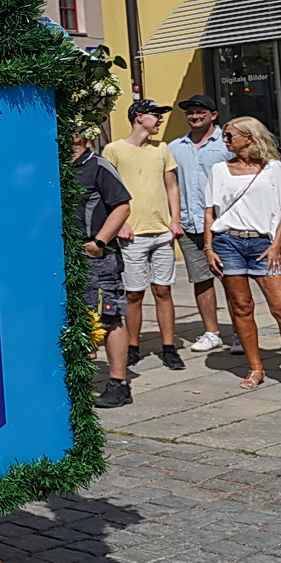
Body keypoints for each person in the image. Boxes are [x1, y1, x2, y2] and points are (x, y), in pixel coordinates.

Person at [204, 117, 281, 397]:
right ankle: (255, 367)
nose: (224, 140)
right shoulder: (219, 170)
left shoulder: (273, 169)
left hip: (264, 243)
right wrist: (209, 247)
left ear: (249, 137)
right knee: (241, 307)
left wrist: (277, 246)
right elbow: (210, 211)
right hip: (228, 242)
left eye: (229, 135)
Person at [104, 98, 187, 370]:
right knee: (133, 293)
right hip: (132, 234)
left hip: (161, 230)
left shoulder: (162, 149)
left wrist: (175, 220)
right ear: (139, 117)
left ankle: (168, 346)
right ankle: (132, 345)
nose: (160, 120)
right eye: (156, 114)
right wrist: (119, 224)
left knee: (163, 290)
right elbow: (108, 190)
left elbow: (171, 186)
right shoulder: (114, 149)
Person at [73, 134, 134, 408]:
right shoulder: (52, 165)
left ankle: (118, 384)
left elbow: (122, 206)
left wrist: (99, 242)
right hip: (63, 257)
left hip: (97, 257)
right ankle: (78, 381)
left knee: (108, 316)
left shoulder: (98, 165)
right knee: (74, 318)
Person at [168, 94, 230, 353]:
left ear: (213, 115)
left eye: (200, 112)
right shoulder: (175, 147)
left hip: (222, 223)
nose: (194, 116)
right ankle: (212, 332)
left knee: (232, 279)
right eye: (190, 112)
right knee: (201, 280)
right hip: (189, 222)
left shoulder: (226, 144)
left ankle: (240, 332)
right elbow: (169, 185)